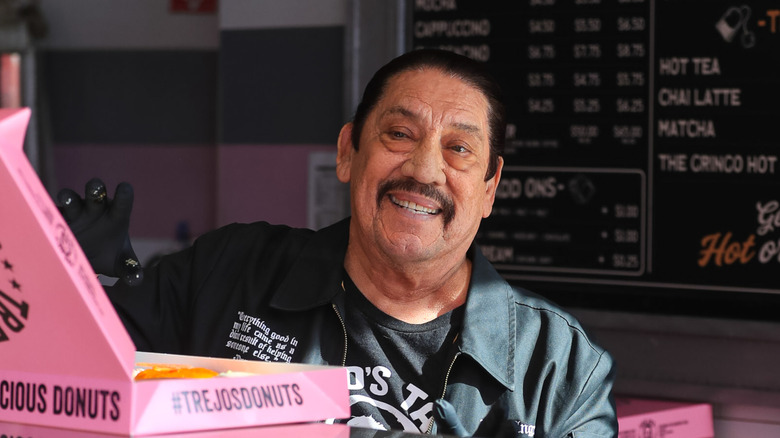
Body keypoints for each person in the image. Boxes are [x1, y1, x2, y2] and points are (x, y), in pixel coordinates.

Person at [58, 49, 617, 437]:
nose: (424, 170)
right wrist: (73, 288)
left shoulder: (559, 367)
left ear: (491, 187)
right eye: (399, 134)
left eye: (459, 150)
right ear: (348, 152)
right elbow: (66, 394)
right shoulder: (227, 272)